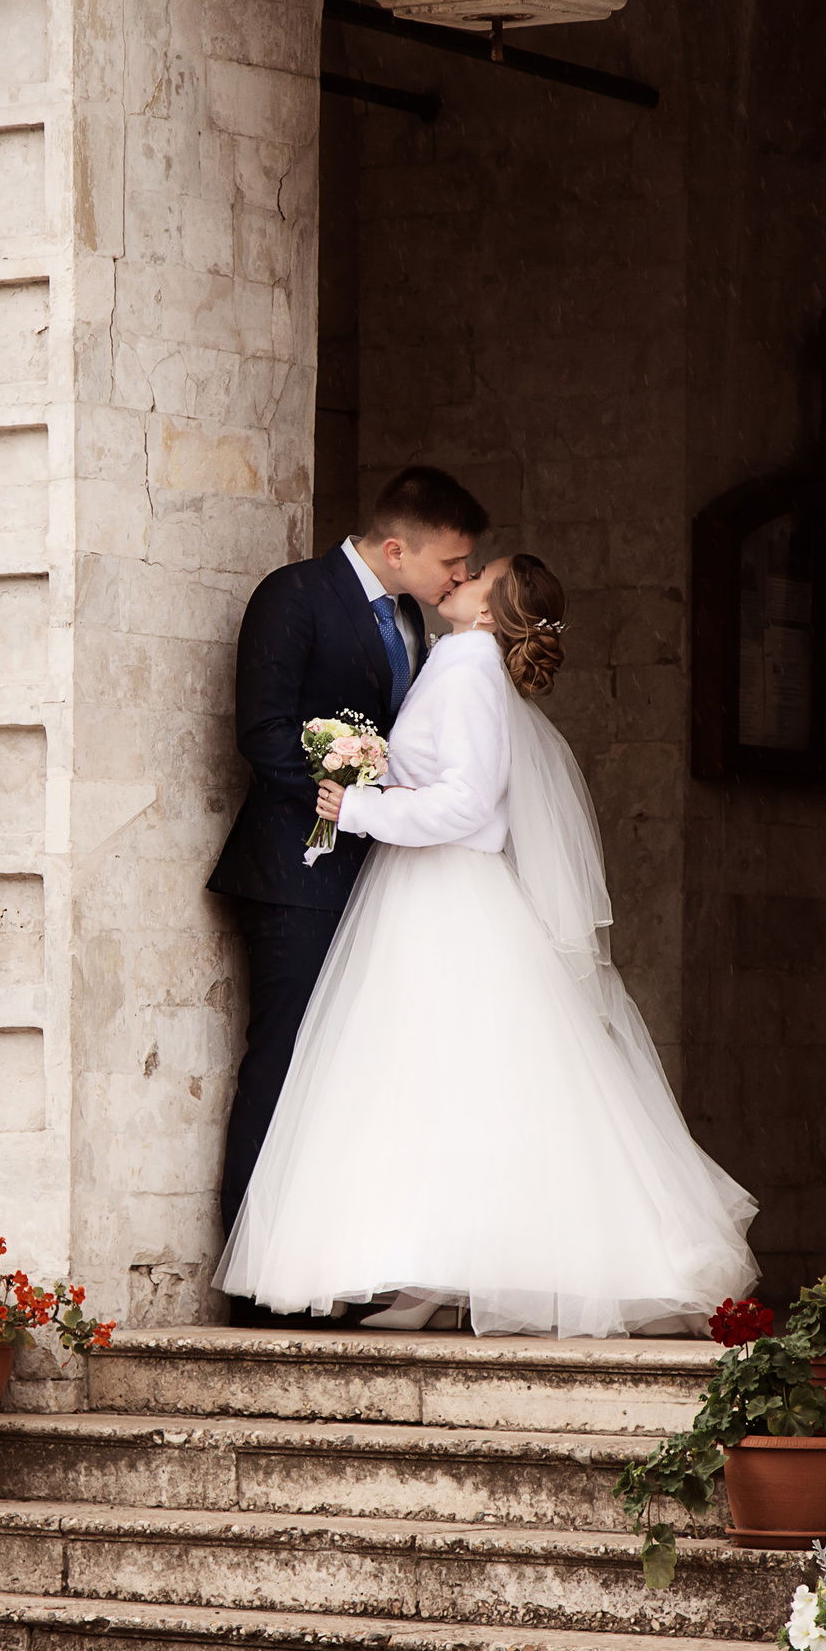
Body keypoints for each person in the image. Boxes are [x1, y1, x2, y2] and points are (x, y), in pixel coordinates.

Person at [214, 553, 761, 1336]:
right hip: (418, 892)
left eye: (475, 578)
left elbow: (470, 806)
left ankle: (440, 1275)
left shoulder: (470, 670)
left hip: (443, 894)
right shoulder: (460, 662)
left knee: (444, 1076)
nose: (455, 580)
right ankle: (430, 1273)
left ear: (486, 611)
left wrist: (361, 809)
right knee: (429, 1081)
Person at [207, 468, 486, 1253]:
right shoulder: (292, 596)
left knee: (354, 1071)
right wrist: (347, 798)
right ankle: (251, 1259)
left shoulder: (412, 619)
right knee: (285, 1057)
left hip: (376, 878)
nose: (460, 578)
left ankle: (330, 1258)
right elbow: (262, 734)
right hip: (296, 875)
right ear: (397, 548)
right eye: (451, 564)